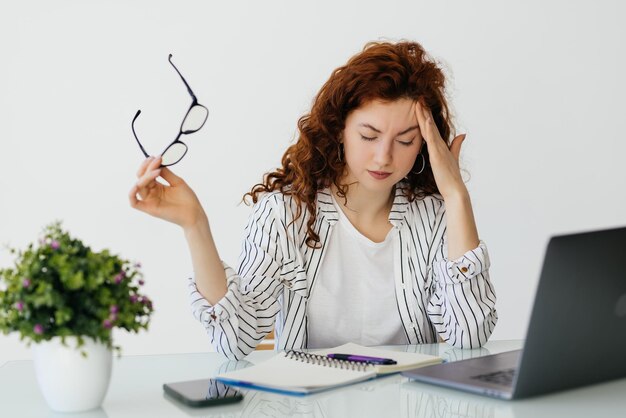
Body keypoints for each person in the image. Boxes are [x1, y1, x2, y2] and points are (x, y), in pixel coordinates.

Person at [129, 41, 498, 360]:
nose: (384, 157)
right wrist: (195, 225)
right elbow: (235, 340)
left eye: (405, 141)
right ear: (340, 128)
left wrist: (455, 197)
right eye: (369, 135)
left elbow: (469, 337)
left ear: (425, 144)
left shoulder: (434, 218)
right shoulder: (286, 215)